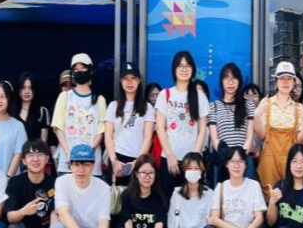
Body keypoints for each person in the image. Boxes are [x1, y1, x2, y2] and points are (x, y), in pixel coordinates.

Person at [155, 51, 210, 197]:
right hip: (169, 160)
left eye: (188, 66)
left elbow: (202, 130)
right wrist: (169, 155)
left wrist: (194, 159)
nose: (184, 69)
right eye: (180, 66)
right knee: (168, 201)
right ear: (174, 69)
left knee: (192, 201)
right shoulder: (165, 94)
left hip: (192, 163)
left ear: (193, 69)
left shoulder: (199, 96)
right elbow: (160, 128)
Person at [5, 139, 57, 228]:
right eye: (31, 155)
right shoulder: (15, 182)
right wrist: (24, 211)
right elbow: (10, 217)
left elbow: (56, 214)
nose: (35, 159)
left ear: (47, 158)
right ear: (23, 160)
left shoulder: (54, 183)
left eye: (40, 155)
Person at [254, 62, 303, 198]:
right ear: (276, 81)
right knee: (269, 201)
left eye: (289, 78)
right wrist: (257, 115)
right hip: (268, 165)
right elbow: (262, 135)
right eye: (282, 78)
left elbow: (300, 141)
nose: (285, 82)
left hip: (291, 165)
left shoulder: (299, 108)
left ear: (294, 82)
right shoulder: (265, 104)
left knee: (289, 202)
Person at [52, 53, 108, 177]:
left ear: (90, 71)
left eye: (83, 68)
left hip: (91, 164)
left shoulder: (99, 99)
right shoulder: (65, 97)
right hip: (68, 163)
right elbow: (58, 128)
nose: (79, 72)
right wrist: (70, 154)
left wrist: (87, 154)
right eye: (76, 69)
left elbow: (101, 131)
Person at [105, 63, 155, 187]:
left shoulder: (147, 107)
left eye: (133, 78)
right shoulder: (113, 106)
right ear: (120, 81)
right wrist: (114, 161)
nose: (129, 82)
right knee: (115, 197)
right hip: (116, 158)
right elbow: (108, 136)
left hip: (138, 159)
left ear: (139, 80)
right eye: (126, 78)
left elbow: (148, 137)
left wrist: (137, 162)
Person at [209, 63, 256, 184]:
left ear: (239, 81)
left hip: (244, 161)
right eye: (226, 78)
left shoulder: (248, 105)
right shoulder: (214, 106)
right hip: (223, 162)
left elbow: (249, 137)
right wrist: (228, 159)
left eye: (234, 78)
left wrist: (239, 158)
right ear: (221, 81)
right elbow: (215, 139)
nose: (230, 82)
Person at [119, 155, 167, 228]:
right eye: (143, 172)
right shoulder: (127, 195)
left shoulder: (159, 197)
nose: (147, 177)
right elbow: (127, 222)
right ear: (136, 174)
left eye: (151, 173)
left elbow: (160, 222)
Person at [15, 72, 51, 143]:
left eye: (30, 88)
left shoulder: (42, 111)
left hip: (35, 149)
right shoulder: (11, 111)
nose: (27, 92)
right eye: (23, 88)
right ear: (19, 90)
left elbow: (43, 142)